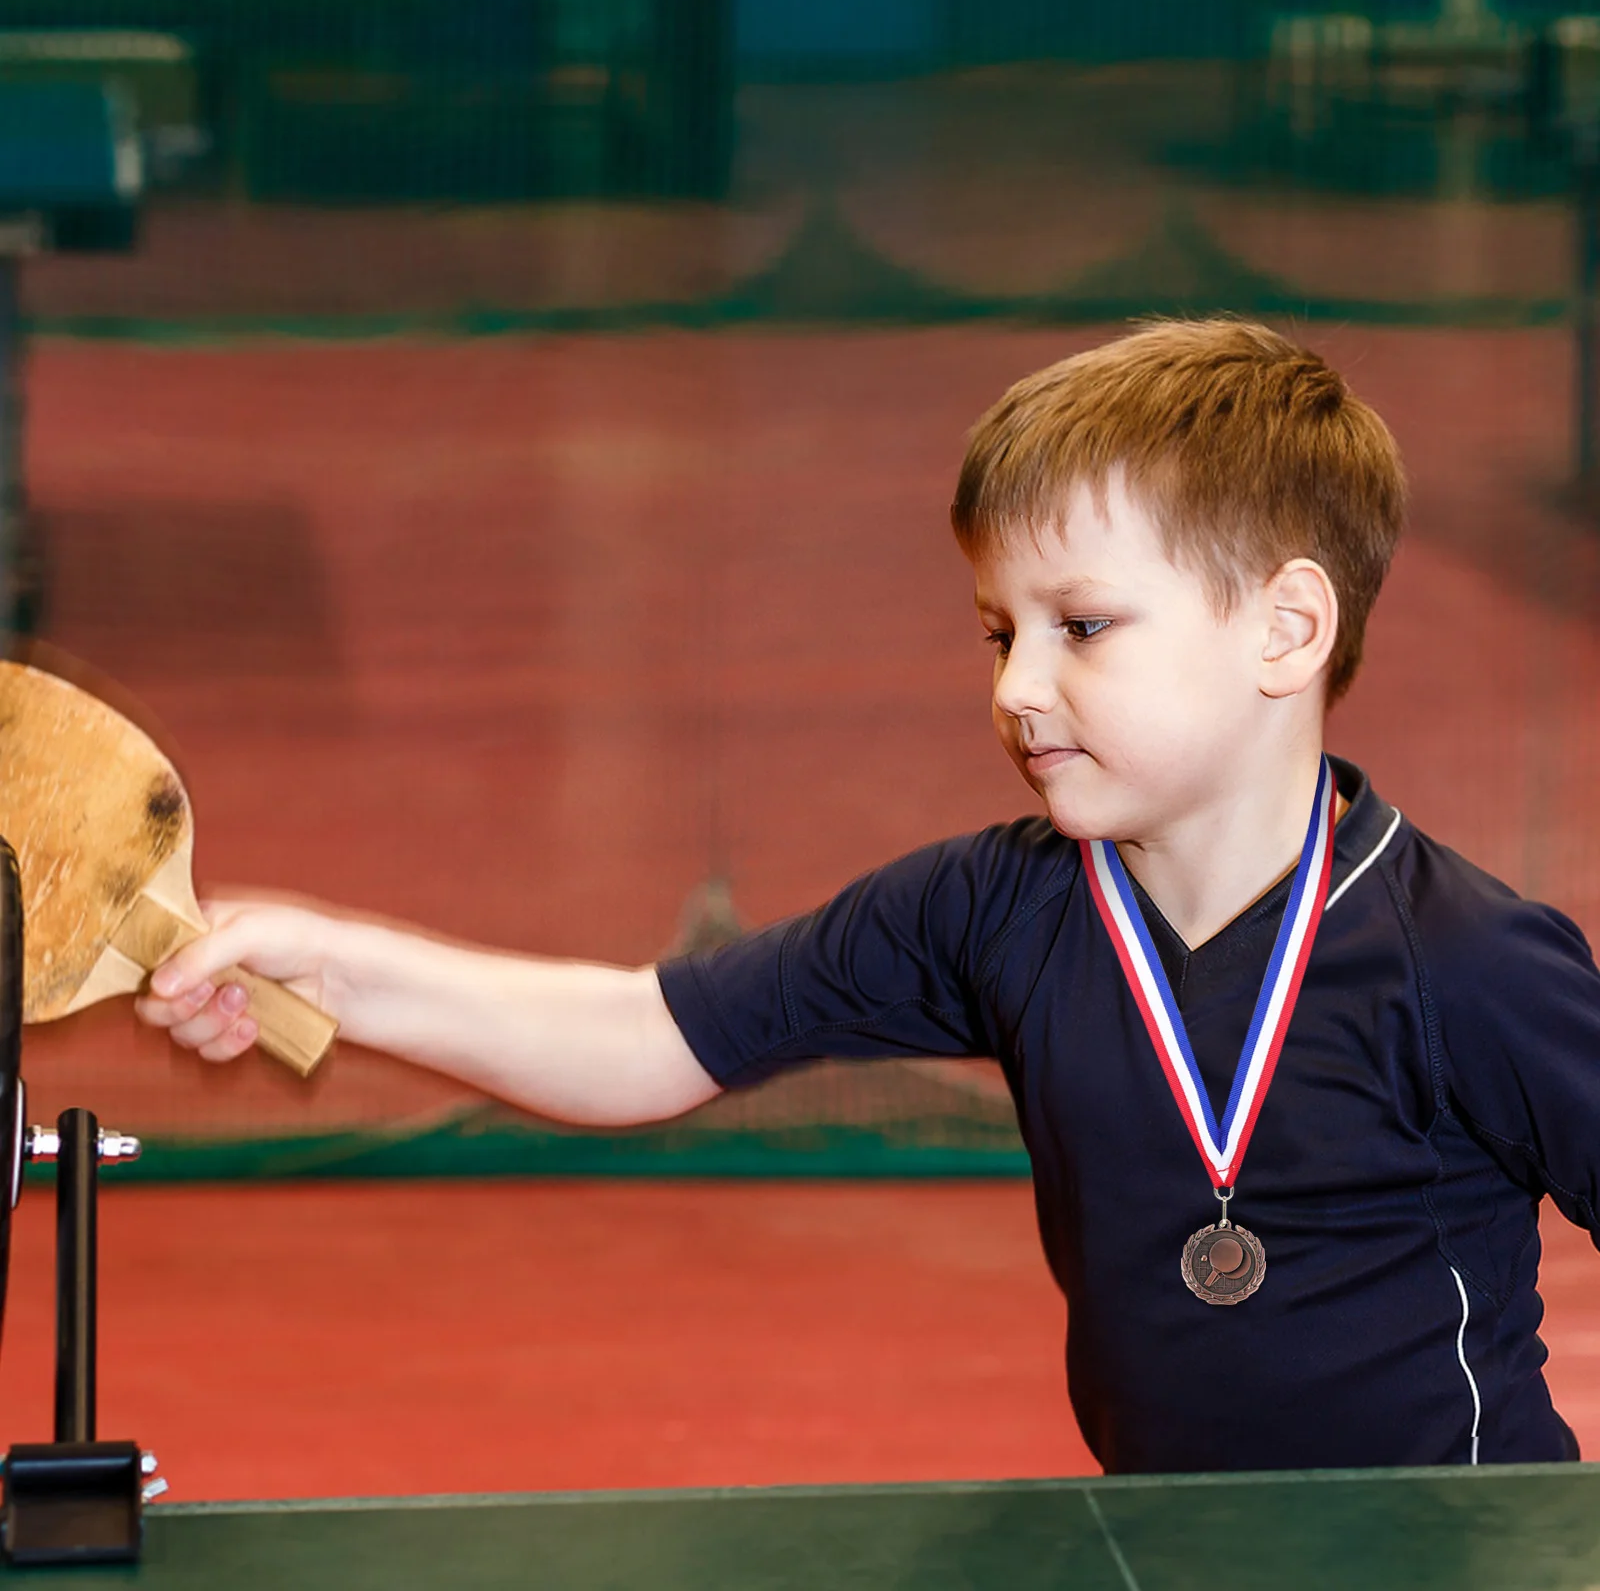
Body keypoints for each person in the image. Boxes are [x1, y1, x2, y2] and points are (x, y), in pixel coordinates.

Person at [136, 318, 1600, 1474]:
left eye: (1082, 627)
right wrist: (342, 968)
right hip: (1172, 1545)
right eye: (998, 633)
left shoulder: (1470, 967)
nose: (1019, 688)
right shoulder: (991, 911)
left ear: (1286, 629)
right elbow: (650, 1038)